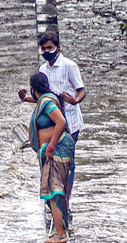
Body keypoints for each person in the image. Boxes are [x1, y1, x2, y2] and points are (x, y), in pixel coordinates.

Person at [20, 31, 86, 201]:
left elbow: (82, 91)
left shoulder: (69, 66)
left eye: (50, 47)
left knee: (67, 162)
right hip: (51, 122)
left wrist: (73, 101)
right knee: (52, 160)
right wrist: (25, 98)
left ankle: (65, 200)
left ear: (57, 47)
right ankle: (54, 197)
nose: (46, 51)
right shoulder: (42, 69)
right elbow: (42, 98)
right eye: (43, 49)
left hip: (69, 121)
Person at [27, 72, 74, 243]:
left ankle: (60, 235)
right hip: (53, 151)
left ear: (33, 88)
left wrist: (51, 147)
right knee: (55, 191)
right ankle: (60, 230)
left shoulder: (46, 102)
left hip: (57, 150)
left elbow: (60, 122)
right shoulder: (46, 100)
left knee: (55, 191)